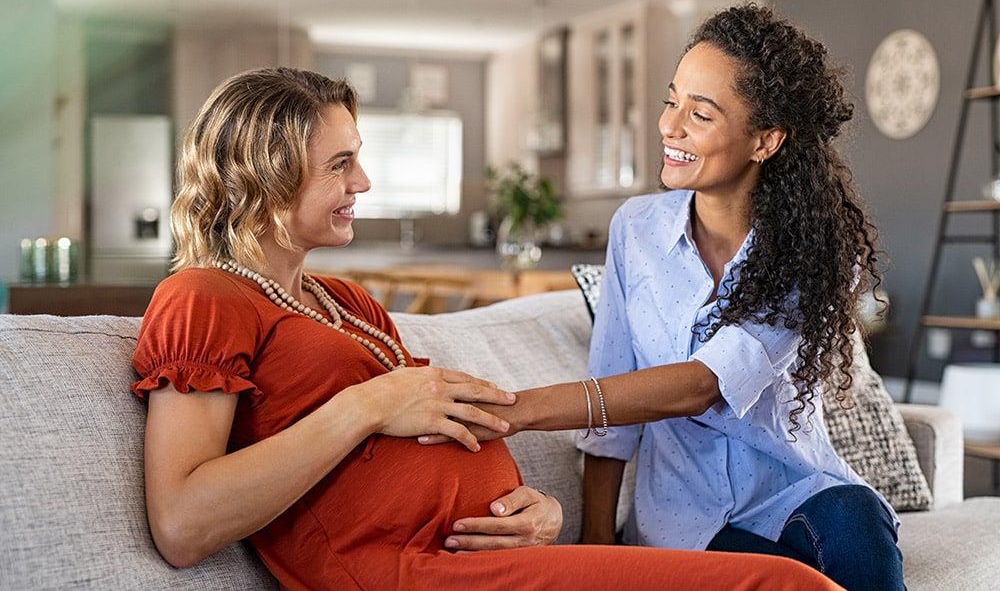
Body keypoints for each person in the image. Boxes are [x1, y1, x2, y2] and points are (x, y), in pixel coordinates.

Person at [130, 66, 842, 590]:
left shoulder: (344, 300)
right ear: (267, 174)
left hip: (486, 556)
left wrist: (541, 510)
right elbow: (184, 523)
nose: (365, 182)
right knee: (784, 586)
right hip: (401, 573)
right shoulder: (203, 297)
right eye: (341, 163)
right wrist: (367, 404)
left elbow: (437, 432)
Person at [449, 4, 905, 591]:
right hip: (687, 518)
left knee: (856, 522)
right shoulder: (635, 229)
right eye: (672, 101)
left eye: (701, 113)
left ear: (765, 140)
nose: (670, 126)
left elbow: (700, 384)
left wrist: (513, 410)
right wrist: (596, 548)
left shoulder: (816, 252)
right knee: (776, 578)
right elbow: (612, 396)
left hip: (794, 489)